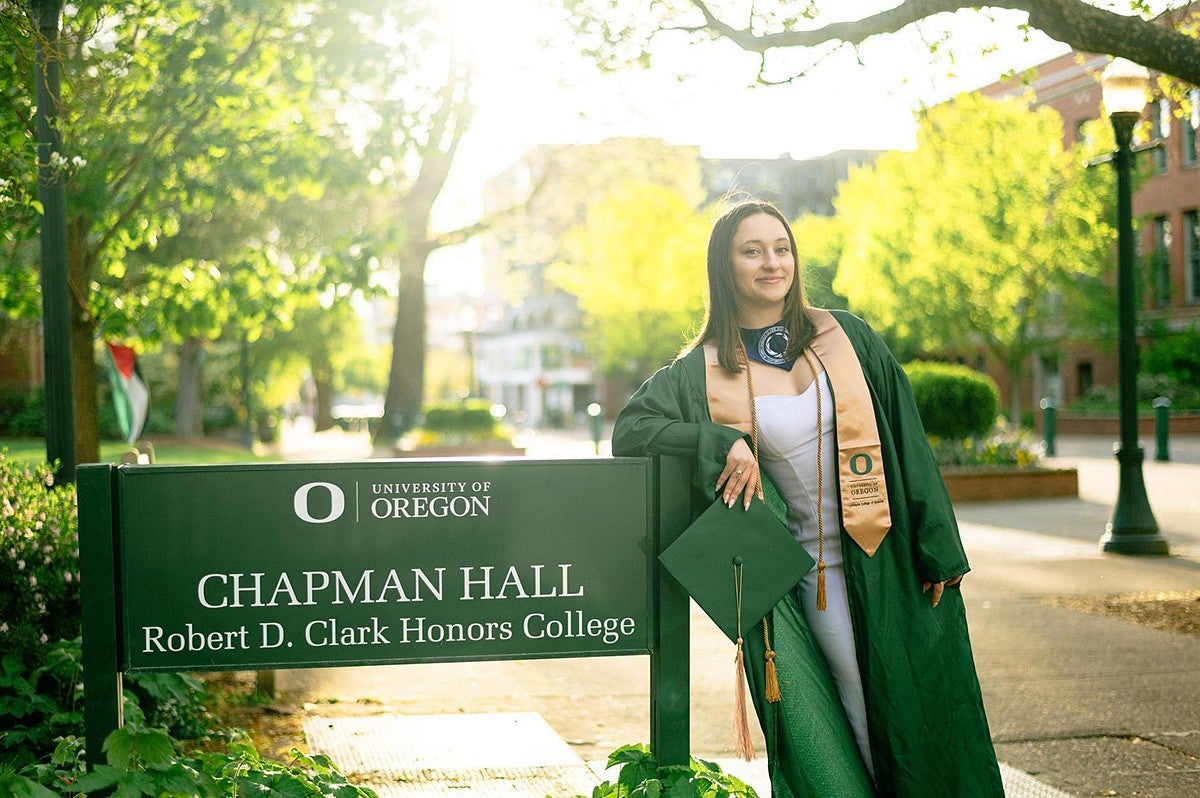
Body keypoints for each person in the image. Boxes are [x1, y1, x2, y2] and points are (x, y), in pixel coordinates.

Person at [612, 199, 1004, 797]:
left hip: (893, 559)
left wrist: (940, 549)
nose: (773, 263)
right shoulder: (703, 369)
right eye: (753, 251)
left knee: (926, 710)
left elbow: (907, 435)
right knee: (860, 712)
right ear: (725, 265)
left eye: (782, 248)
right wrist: (718, 440)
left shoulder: (846, 336)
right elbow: (631, 429)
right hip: (816, 577)